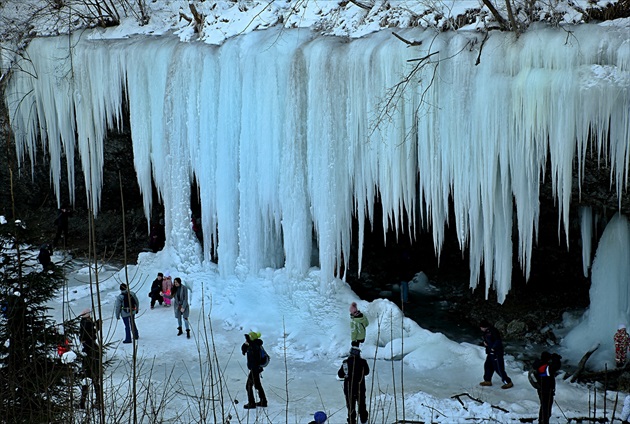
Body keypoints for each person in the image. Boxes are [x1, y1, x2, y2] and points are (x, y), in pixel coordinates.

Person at [337, 346, 370, 424]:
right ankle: (363, 419)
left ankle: (352, 421)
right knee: (361, 403)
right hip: (360, 387)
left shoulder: (345, 363)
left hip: (349, 388)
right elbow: (367, 372)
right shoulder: (363, 362)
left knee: (351, 405)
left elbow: (340, 374)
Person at [479, 319, 513, 389]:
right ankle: (487, 380)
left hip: (496, 353)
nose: (481, 329)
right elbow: (488, 341)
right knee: (488, 366)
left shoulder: (493, 331)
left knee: (498, 368)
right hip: (490, 353)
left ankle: (508, 382)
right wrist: (484, 344)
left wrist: (493, 348)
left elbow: (498, 340)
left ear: (484, 327)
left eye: (481, 327)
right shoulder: (486, 332)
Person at [79, 308, 102, 409]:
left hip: (88, 354)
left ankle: (83, 403)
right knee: (95, 379)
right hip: (92, 355)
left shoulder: (84, 324)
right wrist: (96, 326)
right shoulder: (87, 324)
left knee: (87, 379)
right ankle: (97, 401)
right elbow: (91, 334)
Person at [532, 351, 561, 424]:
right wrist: (556, 359)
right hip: (546, 390)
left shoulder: (539, 365)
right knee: (546, 409)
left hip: (542, 389)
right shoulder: (544, 367)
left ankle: (542, 421)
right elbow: (555, 367)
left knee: (544, 407)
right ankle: (544, 422)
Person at [241, 331, 268, 409]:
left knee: (248, 386)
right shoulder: (254, 345)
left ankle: (251, 403)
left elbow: (254, 358)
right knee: (257, 385)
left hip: (255, 369)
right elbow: (243, 349)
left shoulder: (254, 346)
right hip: (256, 369)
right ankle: (263, 401)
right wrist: (246, 344)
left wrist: (247, 344)